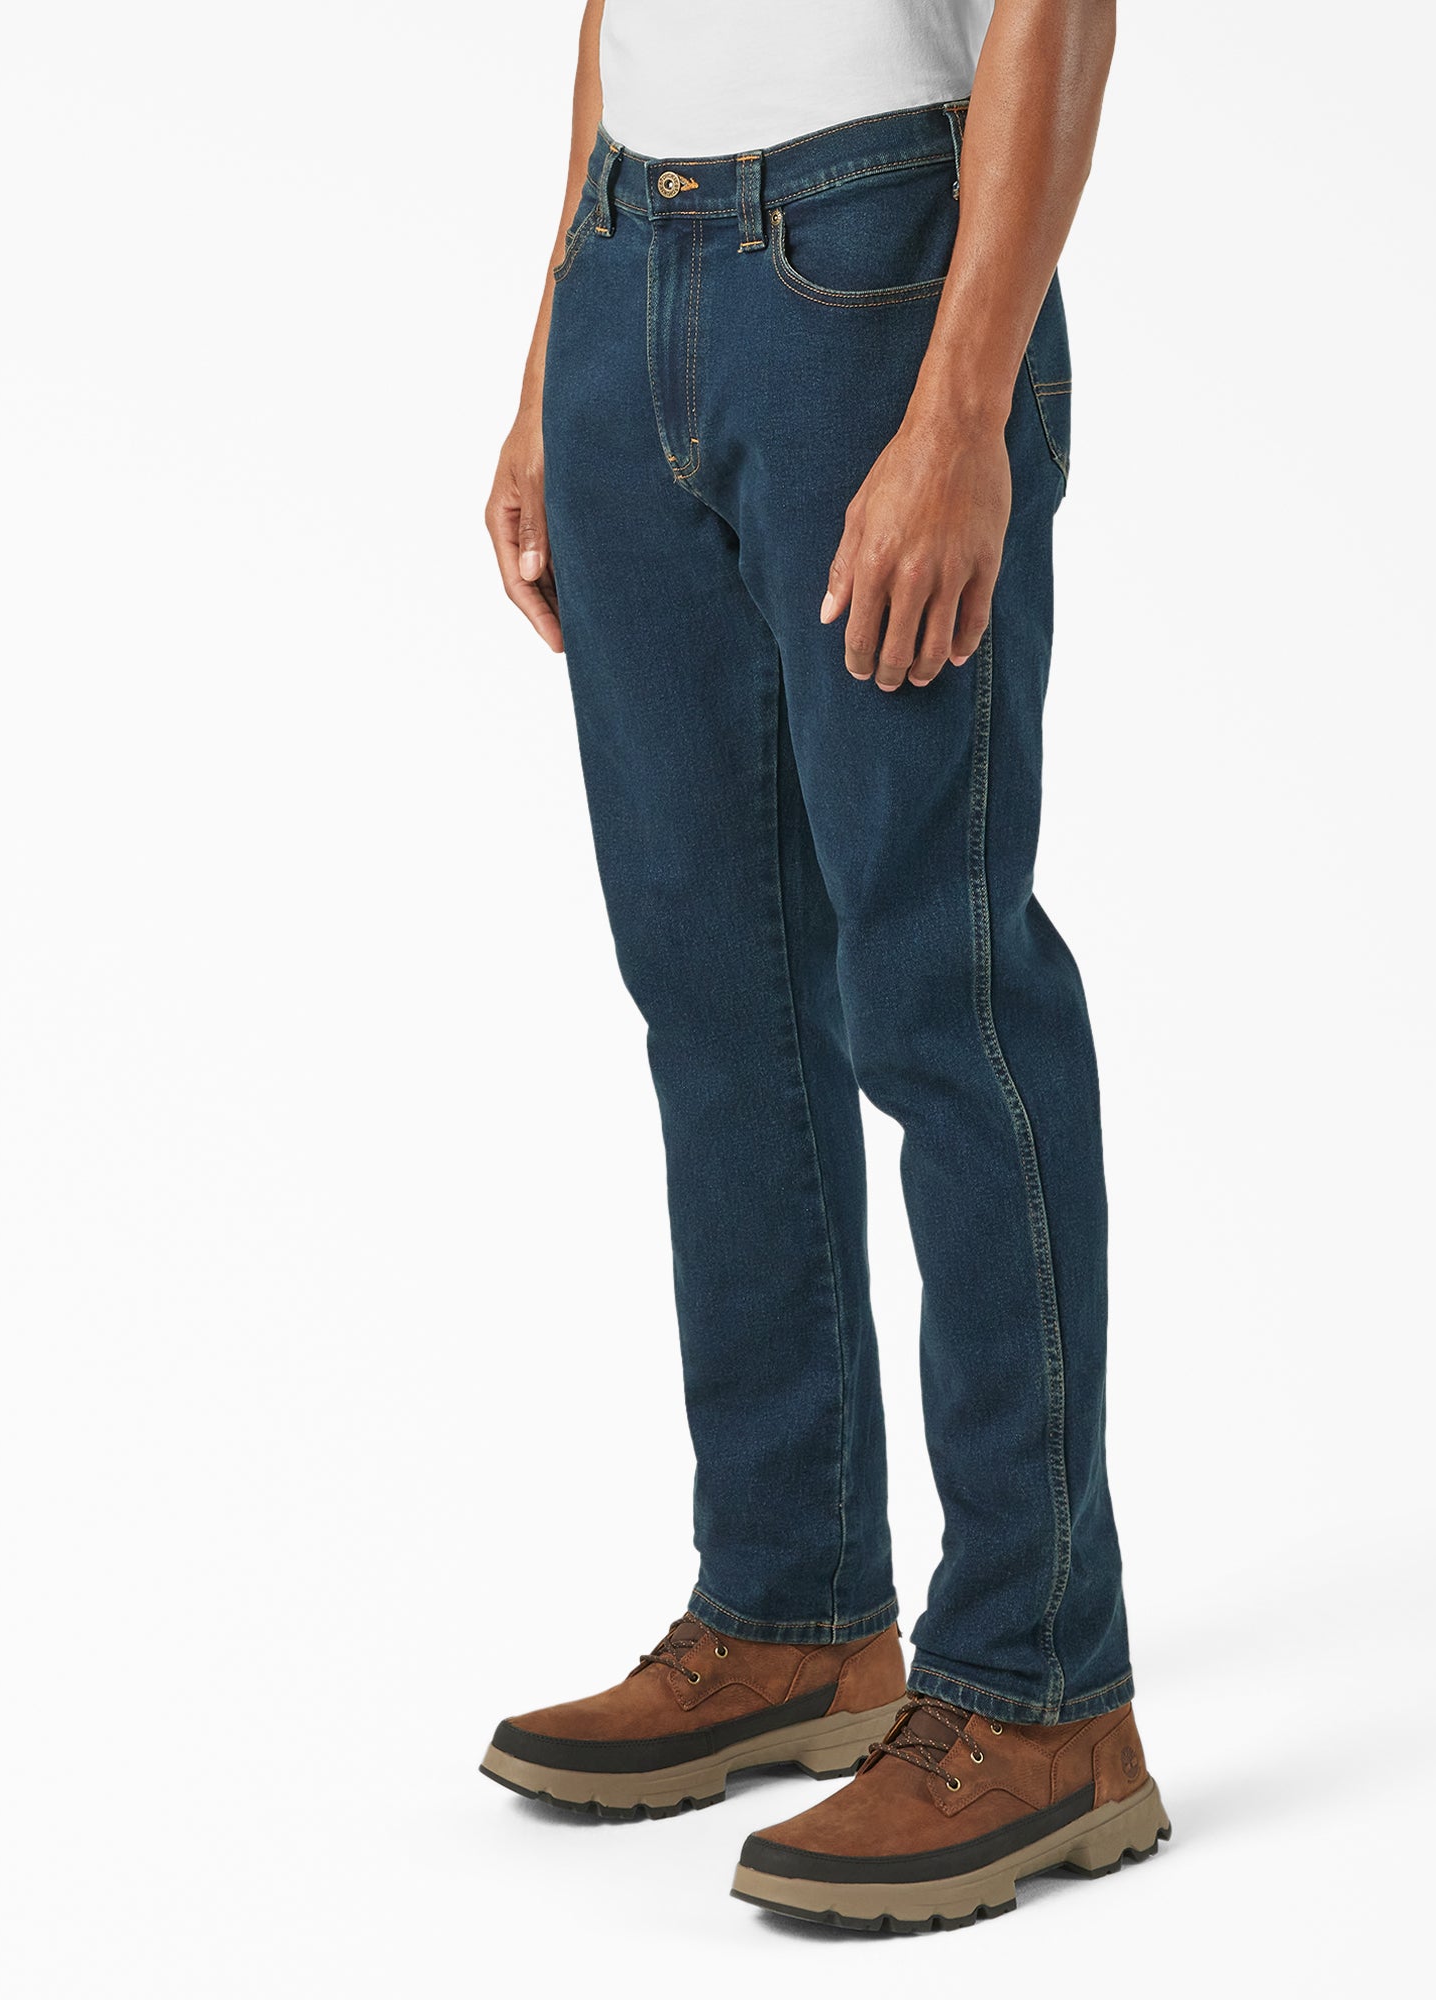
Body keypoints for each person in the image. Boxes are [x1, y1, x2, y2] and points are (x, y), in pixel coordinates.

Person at [480, 0, 1167, 1931]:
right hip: (631, 261)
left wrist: (963, 408)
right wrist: (554, 356)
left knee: (942, 993)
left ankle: (1041, 1694)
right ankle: (792, 1610)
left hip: (872, 275)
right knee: (713, 1001)